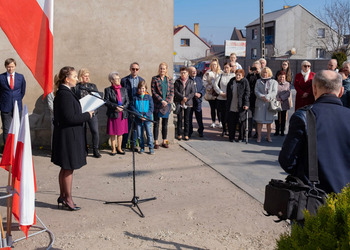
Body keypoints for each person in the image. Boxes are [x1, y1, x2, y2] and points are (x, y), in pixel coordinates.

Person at [279, 70, 350, 194]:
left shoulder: (304, 116)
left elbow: (287, 161)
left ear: (314, 89)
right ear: (341, 91)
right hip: (345, 200)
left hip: (313, 197)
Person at [51, 66, 94, 211]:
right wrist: (87, 115)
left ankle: (63, 196)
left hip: (68, 135)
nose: (77, 79)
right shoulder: (64, 94)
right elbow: (69, 118)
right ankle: (68, 199)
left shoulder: (65, 93)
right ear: (67, 79)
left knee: (66, 168)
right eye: (74, 77)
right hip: (68, 137)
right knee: (68, 168)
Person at [75, 68, 101, 158]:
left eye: (88, 76)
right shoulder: (76, 87)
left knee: (95, 131)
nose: (87, 78)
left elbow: (97, 98)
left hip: (92, 112)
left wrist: (94, 109)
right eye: (85, 76)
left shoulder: (92, 86)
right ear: (80, 76)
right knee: (82, 132)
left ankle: (95, 150)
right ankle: (84, 150)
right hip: (81, 113)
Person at [0, 58, 26, 144]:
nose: (10, 69)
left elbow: (22, 91)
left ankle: (16, 150)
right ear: (5, 67)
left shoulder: (20, 77)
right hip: (5, 107)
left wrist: (16, 99)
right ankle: (7, 152)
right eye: (8, 67)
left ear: (15, 66)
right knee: (6, 129)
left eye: (12, 67)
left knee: (18, 128)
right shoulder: (1, 77)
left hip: (17, 106)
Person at [121, 62, 145, 149]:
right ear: (130, 69)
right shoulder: (124, 80)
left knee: (135, 127)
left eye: (136, 69)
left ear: (138, 70)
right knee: (127, 126)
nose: (135, 71)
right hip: (127, 106)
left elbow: (144, 93)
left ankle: (133, 145)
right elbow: (121, 93)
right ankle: (123, 145)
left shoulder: (141, 80)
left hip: (137, 106)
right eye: (133, 69)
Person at [104, 72, 129, 155]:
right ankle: (113, 148)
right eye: (116, 79)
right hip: (113, 113)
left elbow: (127, 101)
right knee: (113, 132)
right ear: (112, 80)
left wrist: (123, 107)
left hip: (122, 114)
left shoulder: (124, 89)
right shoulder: (108, 90)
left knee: (120, 132)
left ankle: (119, 148)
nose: (118, 80)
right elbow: (106, 101)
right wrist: (115, 107)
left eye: (119, 78)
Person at [151, 62, 174, 149]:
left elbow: (172, 92)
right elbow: (153, 92)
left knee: (165, 123)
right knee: (156, 123)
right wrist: (161, 100)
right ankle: (156, 141)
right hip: (157, 104)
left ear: (166, 70)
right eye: (161, 68)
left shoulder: (170, 80)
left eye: (164, 68)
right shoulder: (155, 79)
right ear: (159, 69)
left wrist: (166, 101)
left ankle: (164, 140)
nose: (162, 70)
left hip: (166, 106)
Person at [254, 67, 278, 143]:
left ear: (269, 73)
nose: (265, 74)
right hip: (260, 103)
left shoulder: (274, 82)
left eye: (266, 72)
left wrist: (267, 97)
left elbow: (274, 92)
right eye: (263, 72)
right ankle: (259, 137)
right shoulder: (258, 81)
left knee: (269, 122)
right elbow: (256, 90)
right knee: (259, 122)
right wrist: (262, 96)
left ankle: (268, 136)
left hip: (269, 103)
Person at [226, 69, 250, 142]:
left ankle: (241, 137)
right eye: (237, 74)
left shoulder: (245, 82)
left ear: (242, 76)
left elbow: (247, 93)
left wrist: (246, 104)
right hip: (232, 104)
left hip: (241, 105)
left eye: (239, 75)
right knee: (231, 122)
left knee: (241, 122)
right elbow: (228, 92)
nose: (237, 76)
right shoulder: (231, 81)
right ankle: (231, 137)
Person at [131, 81, 154, 154]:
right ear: (138, 89)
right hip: (138, 118)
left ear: (146, 89)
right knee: (139, 134)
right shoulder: (135, 97)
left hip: (147, 118)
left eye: (143, 88)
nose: (142, 90)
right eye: (140, 88)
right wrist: (138, 115)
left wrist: (146, 116)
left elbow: (151, 108)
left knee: (149, 133)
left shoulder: (149, 97)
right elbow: (132, 107)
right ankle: (142, 147)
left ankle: (151, 147)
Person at [174, 67, 195, 140]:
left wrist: (186, 98)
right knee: (179, 119)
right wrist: (182, 98)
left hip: (188, 102)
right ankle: (179, 133)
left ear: (188, 73)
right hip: (180, 102)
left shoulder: (191, 81)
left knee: (187, 119)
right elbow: (176, 91)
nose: (183, 74)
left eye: (184, 73)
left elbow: (192, 92)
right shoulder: (177, 81)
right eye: (182, 73)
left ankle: (186, 134)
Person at [214, 62, 235, 136]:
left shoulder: (233, 76)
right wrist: (220, 92)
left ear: (231, 68)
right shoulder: (220, 75)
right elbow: (215, 85)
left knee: (229, 115)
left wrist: (229, 94)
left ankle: (229, 129)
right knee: (222, 115)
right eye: (225, 67)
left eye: (227, 67)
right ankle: (224, 130)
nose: (226, 69)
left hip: (230, 99)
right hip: (221, 98)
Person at [203, 58, 222, 128]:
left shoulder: (221, 73)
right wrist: (209, 86)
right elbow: (204, 81)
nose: (214, 66)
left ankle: (220, 122)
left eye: (215, 65)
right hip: (210, 93)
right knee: (212, 108)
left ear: (217, 65)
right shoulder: (207, 73)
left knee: (219, 109)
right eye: (212, 65)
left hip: (218, 93)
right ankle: (213, 122)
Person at [188, 66, 205, 138]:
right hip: (190, 101)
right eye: (192, 71)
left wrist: (200, 94)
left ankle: (201, 130)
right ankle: (189, 131)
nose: (194, 72)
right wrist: (193, 94)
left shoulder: (199, 79)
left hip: (198, 101)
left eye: (195, 71)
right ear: (189, 72)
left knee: (199, 117)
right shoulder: (187, 80)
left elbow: (203, 88)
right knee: (189, 117)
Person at [246, 60, 261, 137]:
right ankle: (249, 131)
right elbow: (246, 82)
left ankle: (257, 132)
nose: (255, 69)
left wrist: (258, 74)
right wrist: (249, 74)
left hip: (257, 98)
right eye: (254, 67)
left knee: (256, 117)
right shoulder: (250, 75)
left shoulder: (261, 76)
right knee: (250, 116)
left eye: (256, 68)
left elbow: (261, 82)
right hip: (250, 98)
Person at [274, 71, 291, 136]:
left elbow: (288, 93)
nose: (281, 78)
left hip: (284, 102)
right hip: (276, 102)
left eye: (283, 77)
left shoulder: (287, 84)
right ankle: (277, 130)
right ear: (278, 77)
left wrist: (282, 98)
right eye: (280, 77)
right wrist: (277, 98)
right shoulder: (275, 83)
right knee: (277, 117)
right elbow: (273, 91)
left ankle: (282, 131)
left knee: (283, 117)